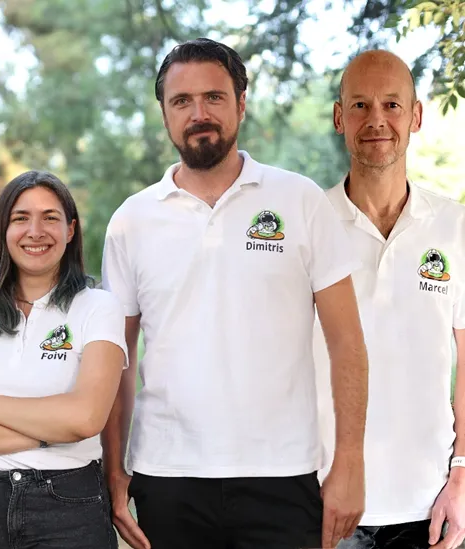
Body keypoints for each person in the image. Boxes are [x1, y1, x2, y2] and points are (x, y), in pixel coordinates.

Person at [101, 38, 369, 549]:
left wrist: (350, 462)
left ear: (241, 104)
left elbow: (347, 343)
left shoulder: (300, 200)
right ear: (164, 113)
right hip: (167, 474)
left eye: (214, 97)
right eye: (182, 101)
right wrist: (113, 469)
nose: (198, 113)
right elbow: (116, 360)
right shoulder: (131, 221)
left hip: (283, 474)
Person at [314, 50, 465, 549]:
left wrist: (462, 473)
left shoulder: (455, 226)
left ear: (416, 116)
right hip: (324, 501)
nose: (376, 119)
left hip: (430, 503)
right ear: (339, 117)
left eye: (392, 105)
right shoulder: (308, 225)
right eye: (360, 105)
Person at [0, 170, 126, 549]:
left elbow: (86, 418)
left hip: (71, 508)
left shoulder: (99, 307)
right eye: (21, 218)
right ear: (2, 231)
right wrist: (51, 436)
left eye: (50, 217)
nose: (35, 231)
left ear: (70, 230)